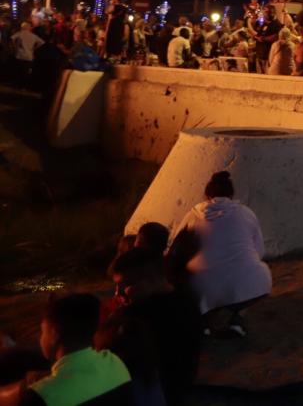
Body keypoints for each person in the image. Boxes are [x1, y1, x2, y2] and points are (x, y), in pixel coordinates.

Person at [168, 171, 272, 336]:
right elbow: (259, 251)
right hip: (251, 282)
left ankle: (204, 321)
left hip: (203, 284)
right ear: (231, 194)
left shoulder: (193, 216)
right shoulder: (246, 213)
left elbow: (175, 251)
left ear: (206, 195)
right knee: (251, 275)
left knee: (191, 281)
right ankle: (236, 319)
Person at [96, 248, 203, 405]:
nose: (118, 293)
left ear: (149, 280)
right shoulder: (187, 300)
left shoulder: (136, 317)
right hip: (179, 388)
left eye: (123, 285)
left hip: (152, 394)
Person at [24, 294, 132, 406]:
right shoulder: (115, 363)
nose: (40, 338)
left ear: (54, 334)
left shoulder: (41, 396)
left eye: (42, 331)